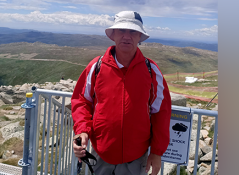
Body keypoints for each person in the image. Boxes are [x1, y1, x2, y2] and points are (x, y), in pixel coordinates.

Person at [71, 11, 171, 175]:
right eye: (121, 31)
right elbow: (82, 101)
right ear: (113, 35)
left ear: (140, 37)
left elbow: (161, 112)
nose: (127, 36)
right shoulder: (96, 67)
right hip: (101, 154)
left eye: (133, 31)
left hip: (137, 158)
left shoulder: (151, 70)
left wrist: (157, 152)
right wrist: (82, 131)